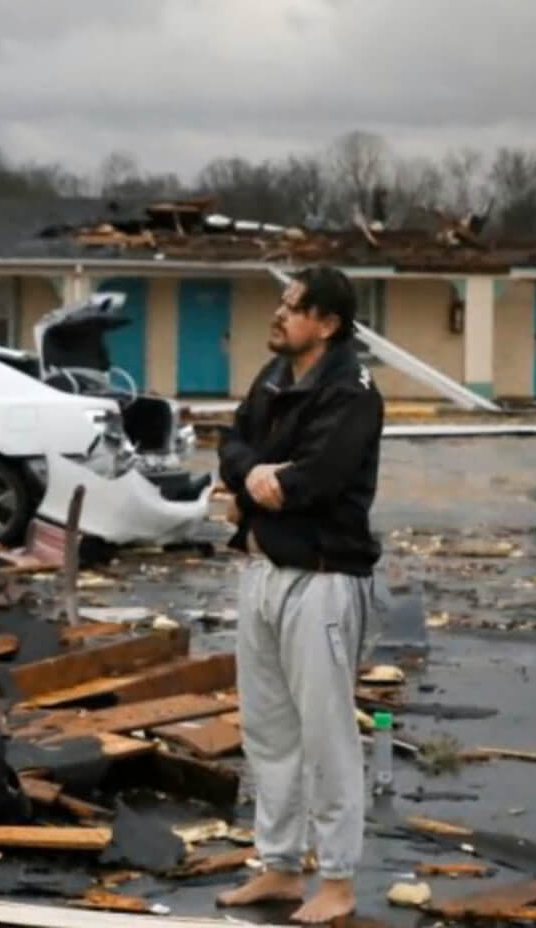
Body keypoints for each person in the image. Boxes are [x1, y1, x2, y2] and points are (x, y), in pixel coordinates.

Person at [215, 265, 384, 924]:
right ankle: (281, 867)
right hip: (262, 572)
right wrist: (254, 474)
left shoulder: (352, 391)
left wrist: (258, 490)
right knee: (268, 730)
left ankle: (337, 881)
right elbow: (231, 444)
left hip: (322, 578)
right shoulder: (275, 376)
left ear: (328, 323)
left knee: (327, 733)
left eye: (293, 306)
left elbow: (316, 480)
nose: (279, 314)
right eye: (281, 303)